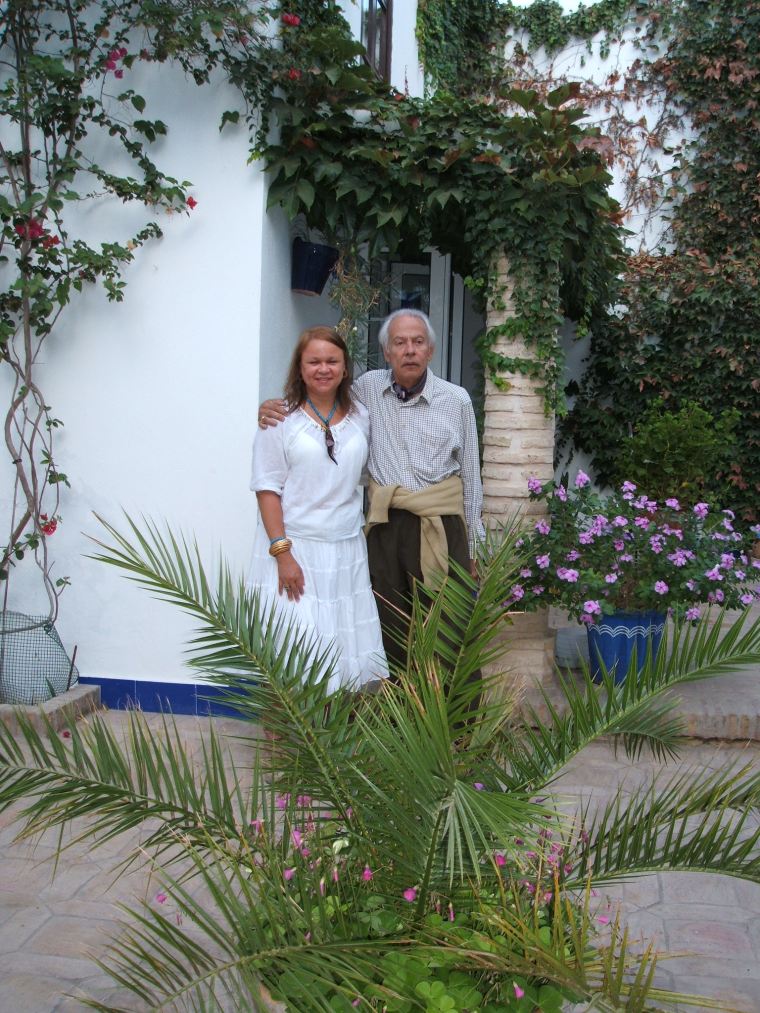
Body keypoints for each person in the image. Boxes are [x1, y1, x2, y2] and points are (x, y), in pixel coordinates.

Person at [259, 309, 485, 670]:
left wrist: (475, 547)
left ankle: (452, 723)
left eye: (418, 342)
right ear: (387, 353)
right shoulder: (364, 392)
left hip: (442, 527)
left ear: (431, 351)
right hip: (385, 525)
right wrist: (272, 408)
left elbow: (472, 478)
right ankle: (394, 720)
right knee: (390, 626)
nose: (409, 350)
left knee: (449, 628)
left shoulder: (455, 400)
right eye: (400, 342)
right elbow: (317, 401)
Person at [248, 326, 388, 693]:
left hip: (346, 551)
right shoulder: (279, 421)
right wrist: (282, 553)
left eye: (332, 361)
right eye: (314, 361)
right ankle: (283, 747)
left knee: (341, 653)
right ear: (300, 368)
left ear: (344, 369)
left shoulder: (361, 416)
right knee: (293, 655)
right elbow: (267, 488)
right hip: (297, 551)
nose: (323, 368)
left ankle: (331, 745)